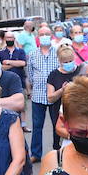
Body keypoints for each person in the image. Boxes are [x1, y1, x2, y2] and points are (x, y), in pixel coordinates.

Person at [27, 25, 61, 161]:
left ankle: (58, 151)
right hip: (38, 95)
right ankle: (36, 154)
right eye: (42, 34)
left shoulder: (58, 52)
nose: (44, 36)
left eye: (47, 34)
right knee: (37, 126)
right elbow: (29, 74)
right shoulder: (32, 54)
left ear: (51, 36)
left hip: (55, 95)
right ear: (38, 37)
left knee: (57, 124)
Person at [45, 46, 81, 131]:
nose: (68, 63)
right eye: (65, 62)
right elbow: (50, 98)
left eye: (70, 61)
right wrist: (62, 90)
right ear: (60, 62)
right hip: (59, 112)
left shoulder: (81, 71)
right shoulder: (53, 75)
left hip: (80, 111)